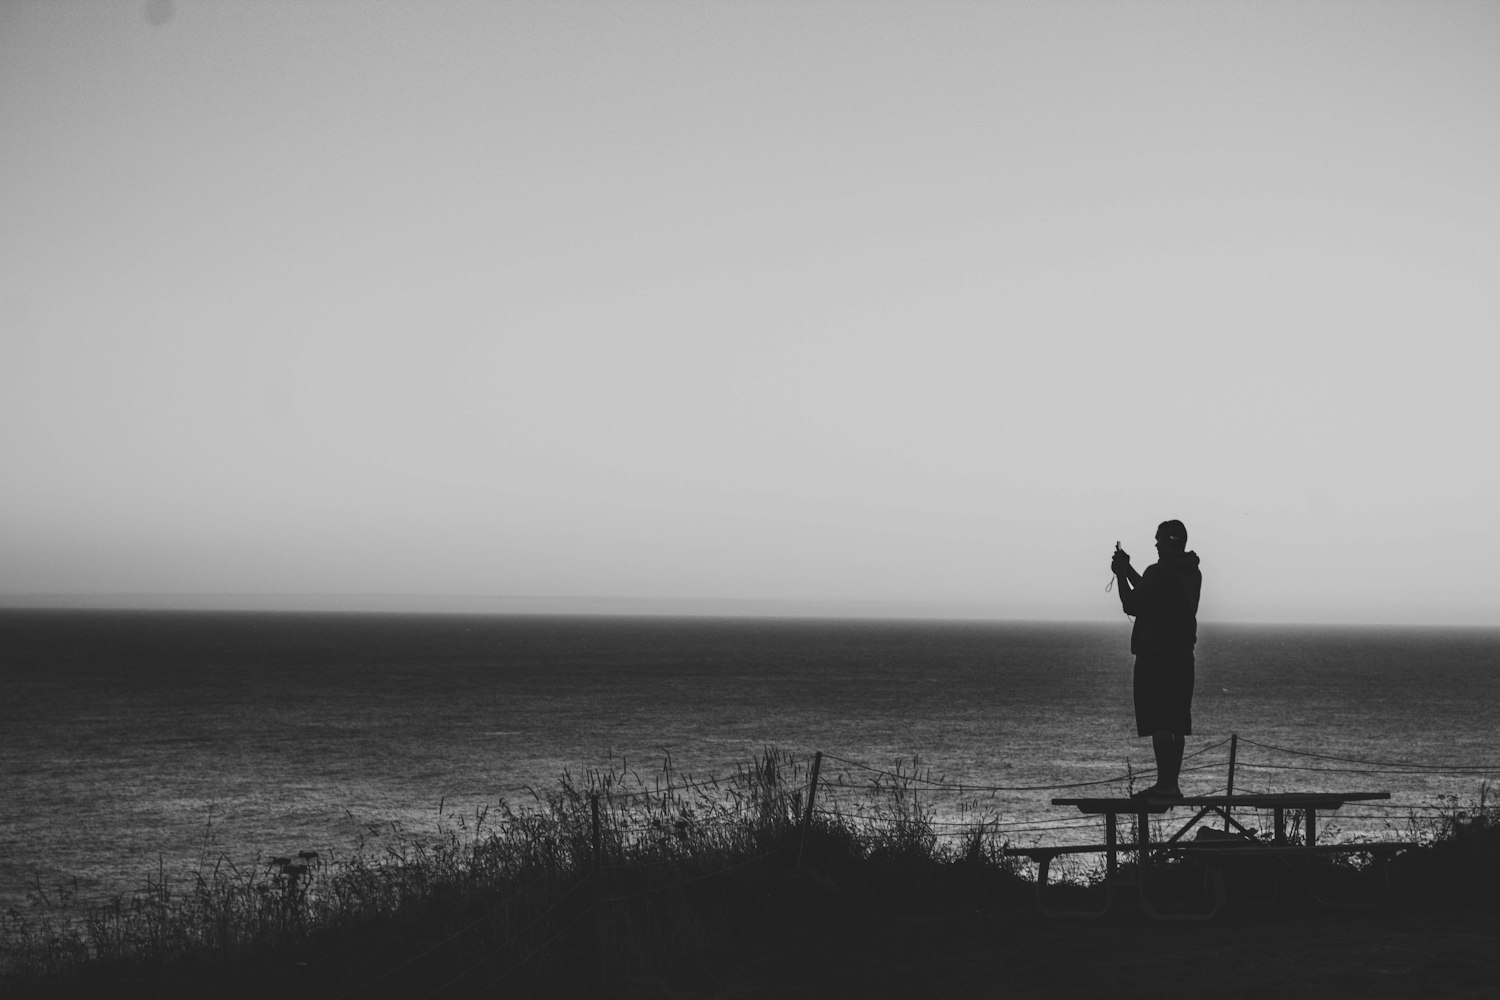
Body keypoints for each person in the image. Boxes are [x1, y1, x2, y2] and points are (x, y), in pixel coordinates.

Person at [1111, 520, 1201, 800]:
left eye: (1159, 539)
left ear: (1170, 541)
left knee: (1159, 723)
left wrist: (1120, 574)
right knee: (1176, 724)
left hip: (1156, 658)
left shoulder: (1160, 572)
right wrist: (1128, 569)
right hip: (1183, 658)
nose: (1156, 544)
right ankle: (1171, 784)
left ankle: (1164, 785)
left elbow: (1133, 603)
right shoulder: (1190, 572)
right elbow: (1153, 591)